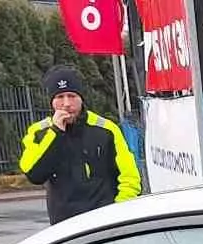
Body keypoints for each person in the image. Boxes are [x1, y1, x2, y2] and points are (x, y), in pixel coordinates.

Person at [19, 66, 142, 225]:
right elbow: (34, 174)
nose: (66, 104)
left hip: (105, 221)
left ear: (82, 98)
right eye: (60, 97)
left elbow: (129, 177)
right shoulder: (39, 132)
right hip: (64, 225)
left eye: (72, 96)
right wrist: (56, 132)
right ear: (51, 101)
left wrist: (117, 211)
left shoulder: (106, 129)